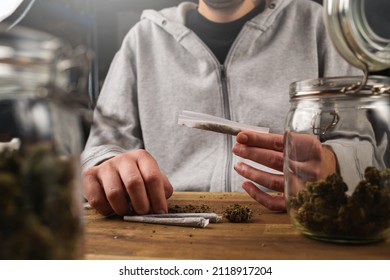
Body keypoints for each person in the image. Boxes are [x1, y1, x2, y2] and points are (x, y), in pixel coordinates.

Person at [81, 0, 361, 216]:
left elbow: (370, 150)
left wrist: (335, 165)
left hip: (297, 222)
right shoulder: (142, 40)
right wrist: (108, 168)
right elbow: (100, 151)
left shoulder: (319, 27)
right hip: (168, 223)